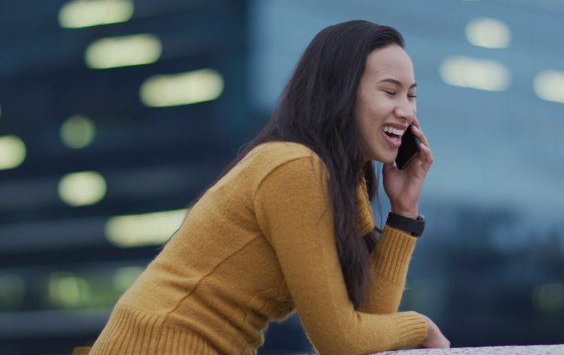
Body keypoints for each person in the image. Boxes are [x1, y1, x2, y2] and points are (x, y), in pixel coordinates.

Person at [89, 20, 449, 354]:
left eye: (411, 95)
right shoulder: (295, 168)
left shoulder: (341, 179)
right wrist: (420, 327)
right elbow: (339, 339)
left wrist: (403, 213)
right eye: (390, 92)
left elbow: (369, 321)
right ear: (340, 93)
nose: (406, 111)